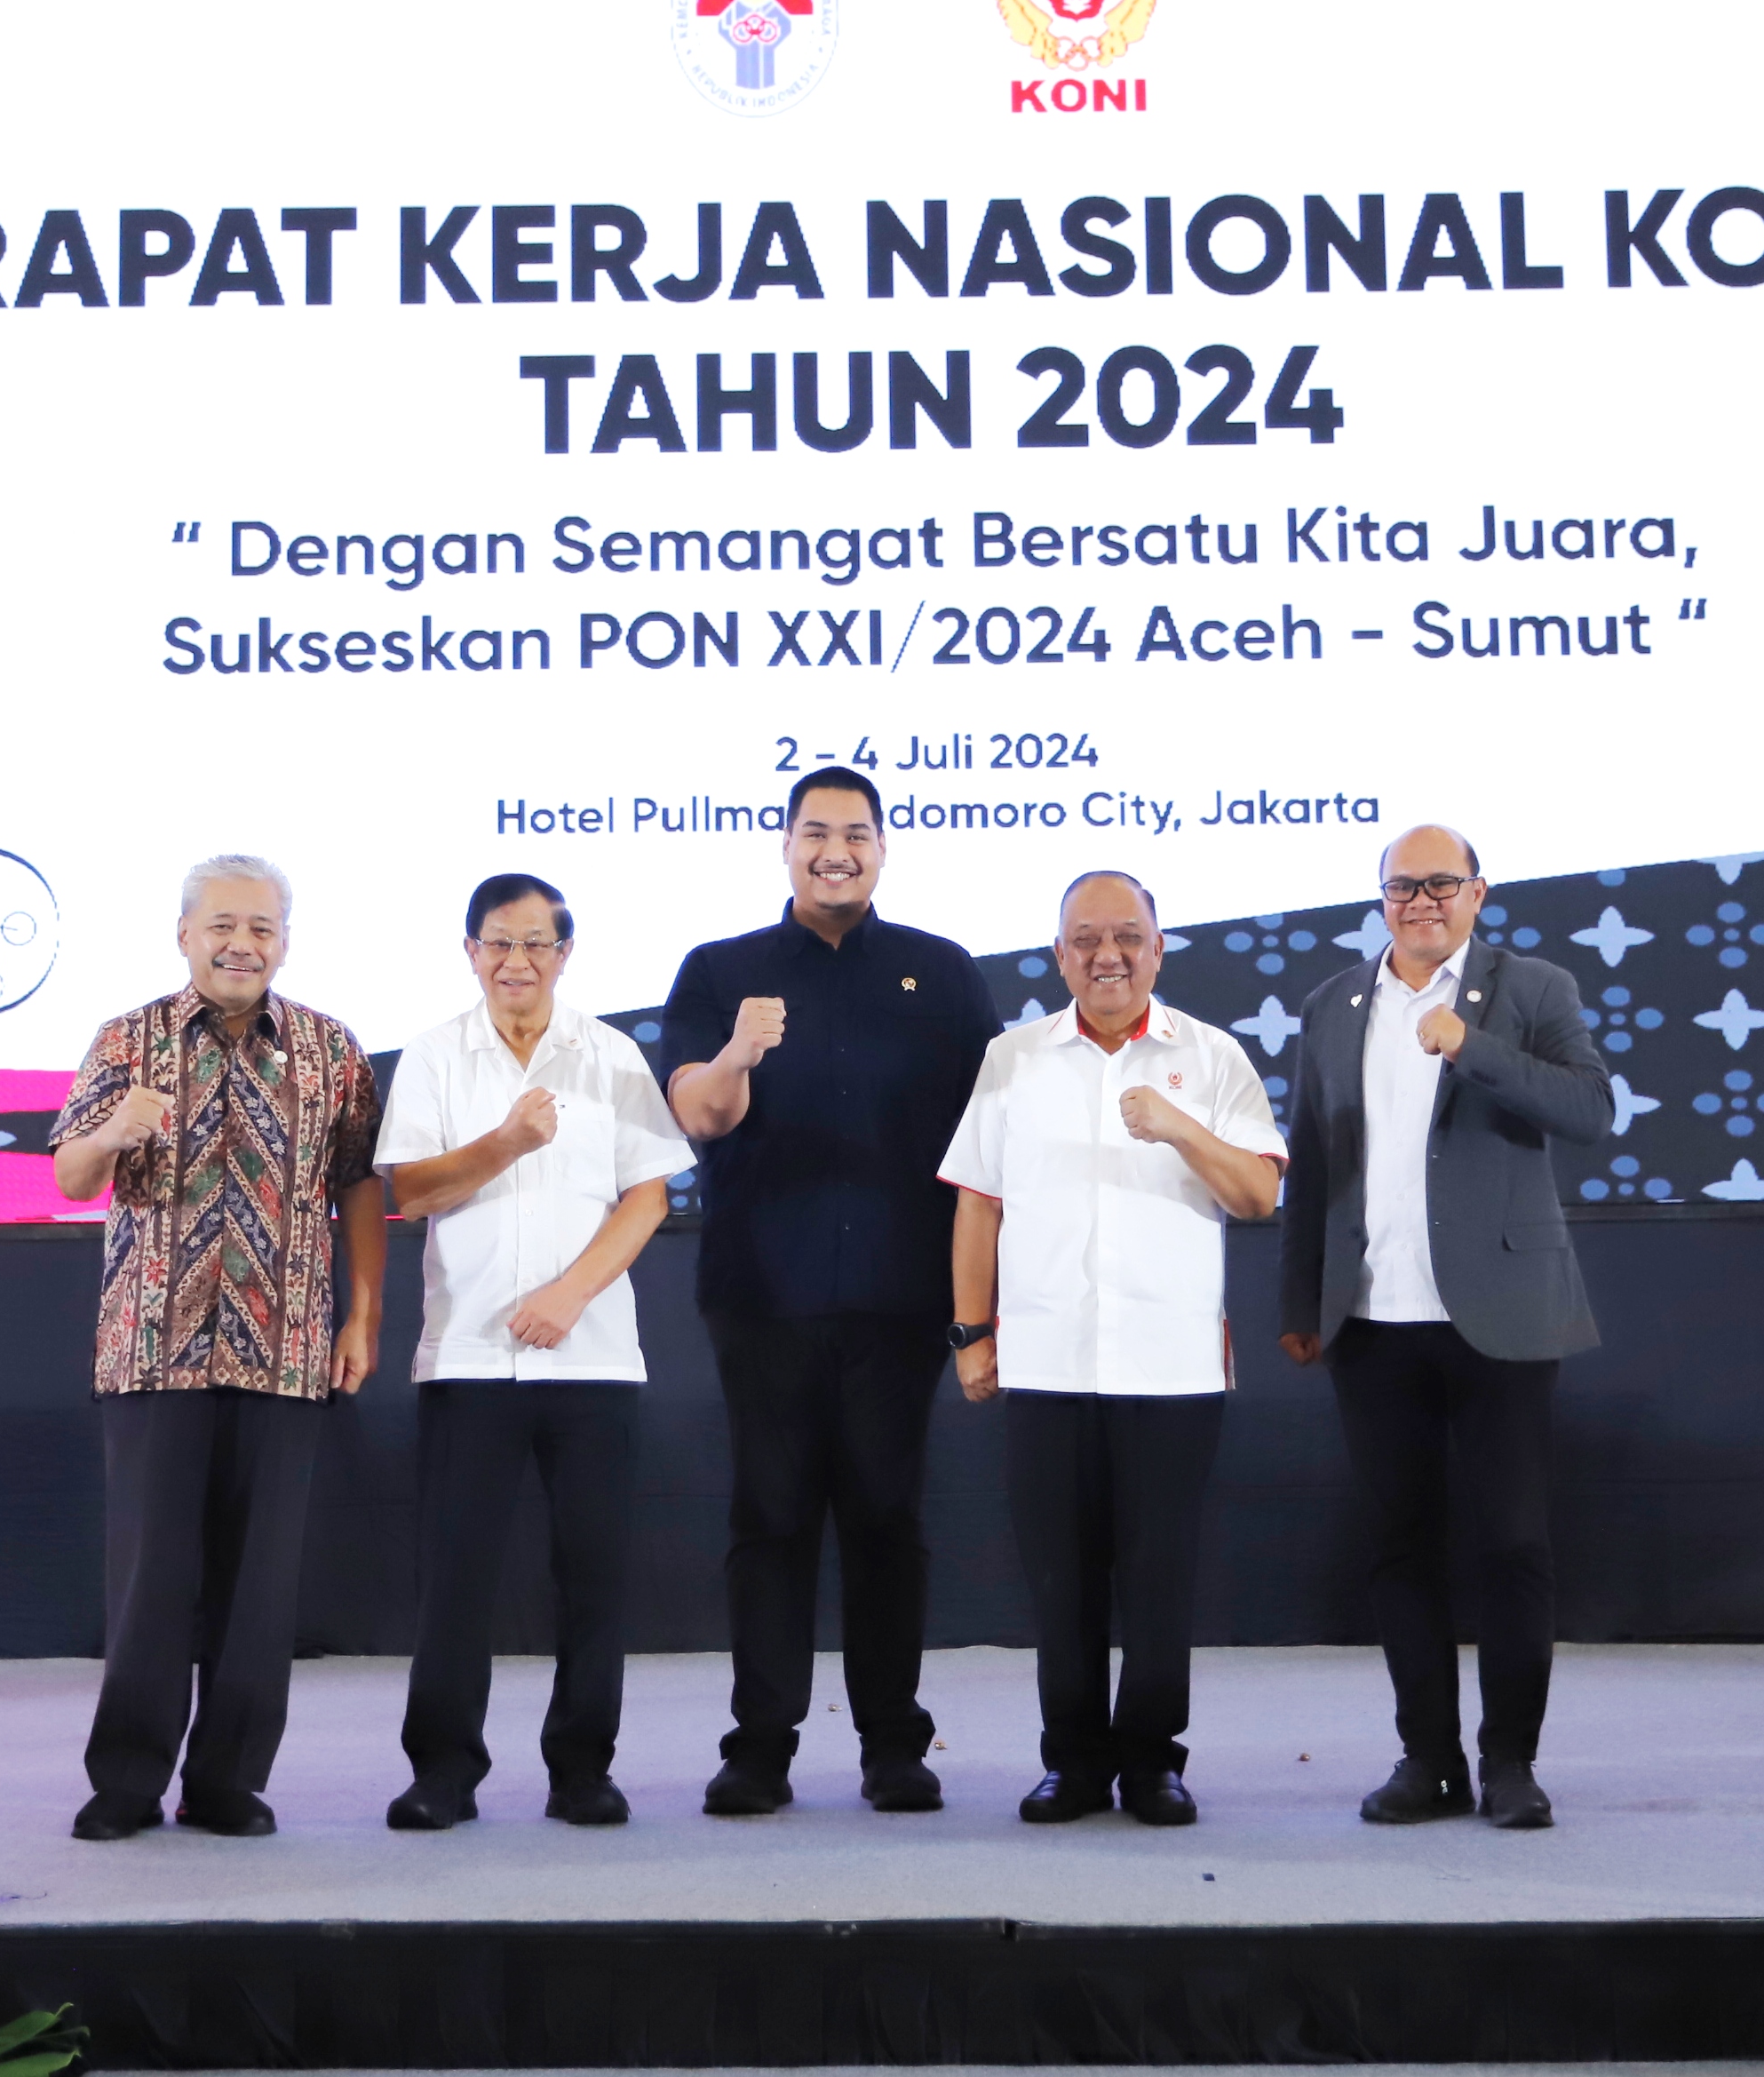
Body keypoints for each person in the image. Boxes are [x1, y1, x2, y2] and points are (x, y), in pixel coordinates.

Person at [661, 766, 1001, 1814]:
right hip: (764, 1293)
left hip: (902, 1296)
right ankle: (759, 1746)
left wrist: (978, 1310)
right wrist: (737, 1054)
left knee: (886, 1519)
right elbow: (696, 1113)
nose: (834, 851)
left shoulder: (942, 973)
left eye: (854, 833)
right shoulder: (719, 970)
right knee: (769, 1517)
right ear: (784, 845)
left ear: (882, 847)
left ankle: (892, 1744)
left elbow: (989, 1142)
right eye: (814, 832)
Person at [1276, 824, 1613, 1832]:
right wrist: (1299, 1301)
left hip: (1501, 1313)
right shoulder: (1332, 1004)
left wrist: (1472, 1046)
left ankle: (1509, 1759)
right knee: (1399, 1546)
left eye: (1439, 883)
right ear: (1380, 898)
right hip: (1371, 1317)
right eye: (1401, 887)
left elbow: (1589, 1109)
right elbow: (1310, 1157)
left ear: (1477, 892)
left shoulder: (1533, 988)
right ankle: (1426, 1759)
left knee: (1511, 1543)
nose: (1419, 901)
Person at [48, 855, 385, 1842]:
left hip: (284, 1348)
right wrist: (111, 1131)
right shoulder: (129, 1038)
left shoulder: (330, 1049)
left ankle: (227, 1781)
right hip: (153, 1348)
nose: (243, 944)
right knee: (152, 1580)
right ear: (185, 935)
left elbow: (359, 1184)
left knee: (258, 1585)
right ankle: (127, 1781)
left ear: (284, 940)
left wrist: (362, 1316)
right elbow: (71, 1177)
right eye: (224, 926)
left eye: (262, 928)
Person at [942, 871, 1284, 1826]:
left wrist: (1177, 1126)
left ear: (1158, 948)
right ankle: (1073, 1762)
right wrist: (972, 1331)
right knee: (1059, 1579)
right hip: (1045, 1362)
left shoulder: (1210, 1057)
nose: (1107, 955)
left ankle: (1152, 1762)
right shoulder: (1012, 1058)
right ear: (1058, 956)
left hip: (1170, 1367)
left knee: (1159, 1576)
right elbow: (977, 1203)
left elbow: (1258, 1194)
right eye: (1085, 939)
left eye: (1127, 936)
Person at [375, 872, 694, 1831]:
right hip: (469, 1355)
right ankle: (442, 1772)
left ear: (565, 953)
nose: (517, 961)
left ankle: (582, 1769)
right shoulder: (434, 1055)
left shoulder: (611, 1055)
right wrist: (506, 1141)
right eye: (498, 943)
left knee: (592, 1574)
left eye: (536, 943)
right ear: (470, 951)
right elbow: (411, 1191)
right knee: (455, 1577)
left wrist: (569, 1294)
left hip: (591, 1355)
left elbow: (648, 1194)